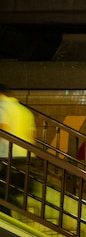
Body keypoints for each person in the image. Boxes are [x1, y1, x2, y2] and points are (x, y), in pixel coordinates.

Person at [0, 84, 36, 213]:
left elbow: (3, 129)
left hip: (6, 155)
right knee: (8, 189)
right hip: (24, 156)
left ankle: (13, 209)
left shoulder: (2, 107)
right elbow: (32, 134)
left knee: (3, 190)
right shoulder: (24, 110)